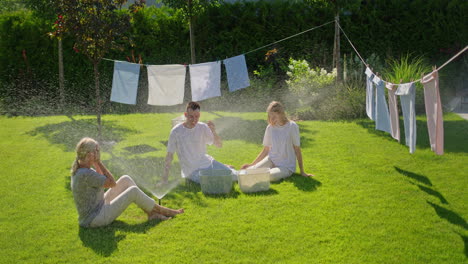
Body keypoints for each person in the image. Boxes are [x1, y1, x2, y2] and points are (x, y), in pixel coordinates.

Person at [71, 137, 183, 228]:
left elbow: (101, 178)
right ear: (90, 154)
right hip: (95, 219)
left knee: (125, 179)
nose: (98, 153)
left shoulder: (84, 169)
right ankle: (169, 212)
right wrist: (99, 162)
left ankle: (151, 213)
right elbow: (111, 183)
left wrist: (95, 163)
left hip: (99, 207)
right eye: (96, 151)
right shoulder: (85, 174)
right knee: (133, 191)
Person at [164, 101, 236, 183]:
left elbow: (219, 145)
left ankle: (226, 169)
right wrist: (164, 179)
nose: (194, 120)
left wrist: (213, 131)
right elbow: (169, 156)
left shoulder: (203, 127)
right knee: (214, 181)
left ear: (199, 115)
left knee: (234, 176)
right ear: (185, 115)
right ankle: (224, 168)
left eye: (197, 116)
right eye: (191, 117)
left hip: (207, 163)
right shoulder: (176, 131)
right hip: (192, 171)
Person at [241, 101, 314, 181]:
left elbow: (297, 149)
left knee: (269, 176)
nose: (271, 118)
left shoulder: (292, 126)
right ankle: (236, 177)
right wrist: (252, 164)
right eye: (270, 115)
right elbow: (266, 150)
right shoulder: (270, 127)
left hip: (286, 166)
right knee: (249, 171)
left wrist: (302, 171)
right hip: (271, 159)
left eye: (274, 116)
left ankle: (267, 173)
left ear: (281, 113)